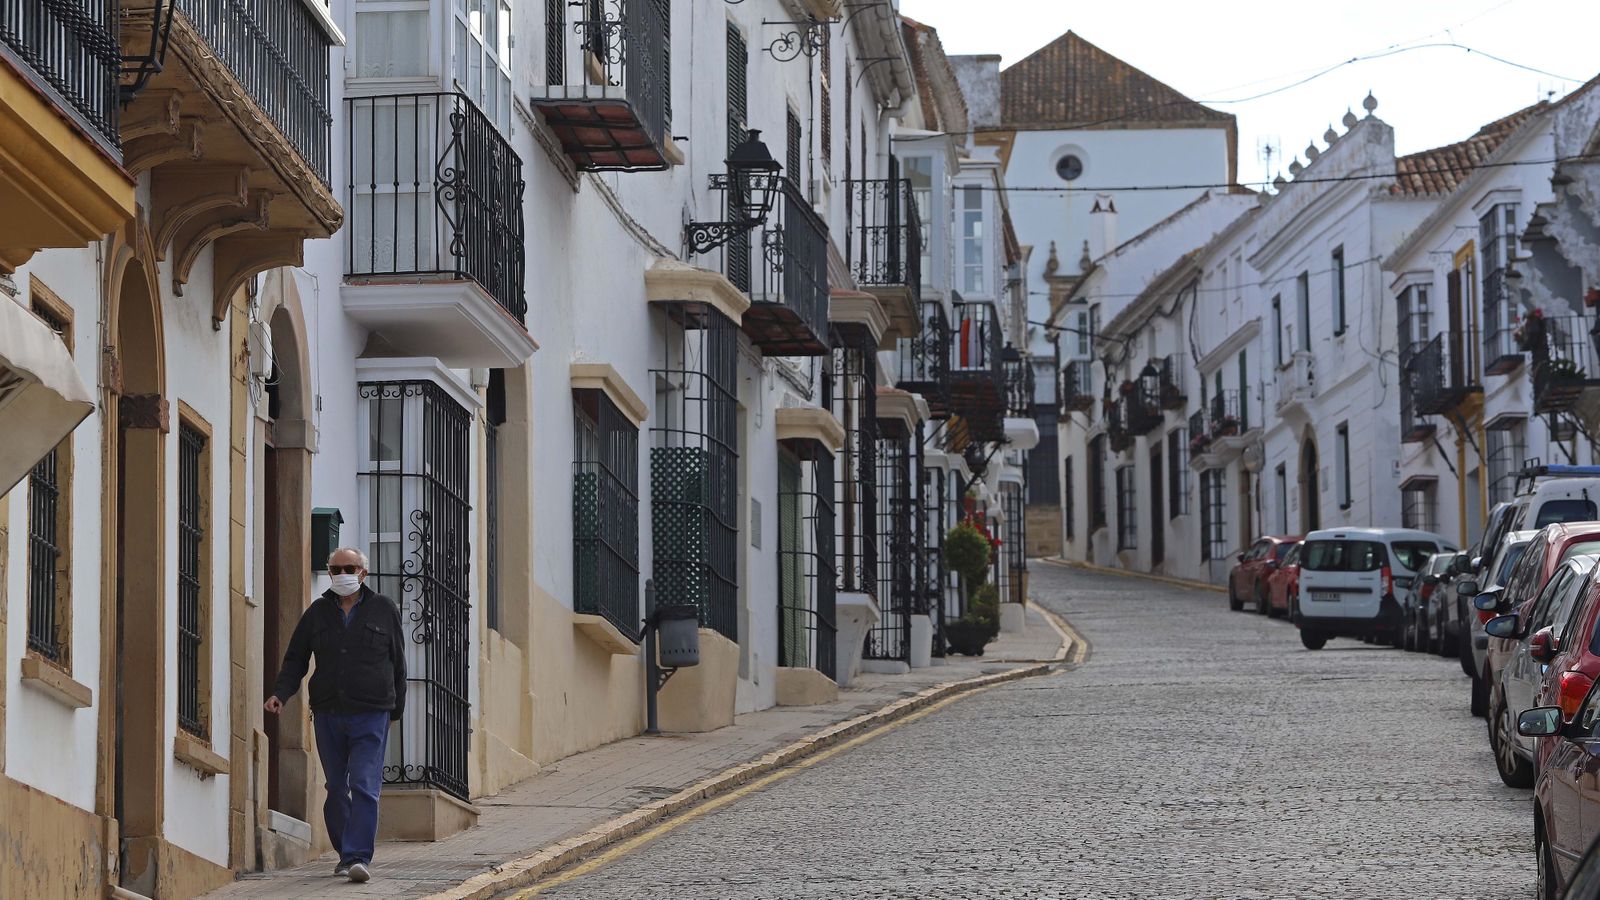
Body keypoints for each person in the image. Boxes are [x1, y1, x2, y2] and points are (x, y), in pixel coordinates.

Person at [265, 547, 406, 883]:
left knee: (363, 784)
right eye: (336, 568)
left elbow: (398, 663)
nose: (343, 573)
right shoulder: (317, 613)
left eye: (350, 567)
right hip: (328, 712)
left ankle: (359, 857)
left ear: (363, 573)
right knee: (336, 787)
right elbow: (296, 659)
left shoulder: (383, 609)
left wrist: (395, 710)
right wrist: (280, 694)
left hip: (371, 713)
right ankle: (346, 854)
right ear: (329, 573)